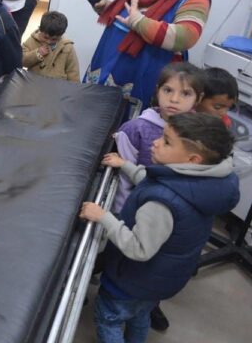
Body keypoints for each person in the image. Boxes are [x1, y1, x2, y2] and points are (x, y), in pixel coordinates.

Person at [83, 113, 239, 343]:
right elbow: (154, 179)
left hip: (131, 281)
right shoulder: (208, 181)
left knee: (110, 319)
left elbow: (139, 249)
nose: (155, 142)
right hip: (160, 281)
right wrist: (125, 164)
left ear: (193, 159)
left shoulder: (161, 203)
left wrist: (104, 217)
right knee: (139, 315)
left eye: (166, 141)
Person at [83, 0, 210, 113]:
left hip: (143, 78)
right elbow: (130, 17)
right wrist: (106, 7)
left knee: (130, 133)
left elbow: (185, 36)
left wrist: (138, 22)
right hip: (108, 68)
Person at [110, 62, 203, 214]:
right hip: (139, 210)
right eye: (167, 90)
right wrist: (122, 213)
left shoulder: (200, 131)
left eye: (185, 93)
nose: (174, 99)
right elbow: (124, 180)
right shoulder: (135, 130)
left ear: (198, 99)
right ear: (157, 90)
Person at [22, 11, 80, 82]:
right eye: (45, 37)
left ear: (61, 34)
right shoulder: (32, 41)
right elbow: (21, 60)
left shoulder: (67, 47)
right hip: (34, 84)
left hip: (57, 88)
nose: (49, 41)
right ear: (40, 29)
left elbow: (73, 72)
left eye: (54, 39)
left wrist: (74, 90)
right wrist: (37, 54)